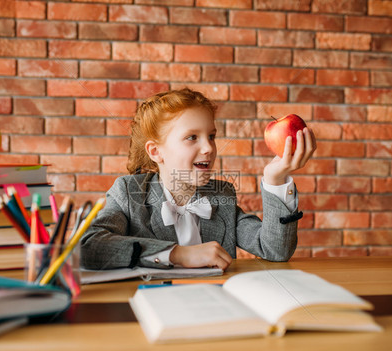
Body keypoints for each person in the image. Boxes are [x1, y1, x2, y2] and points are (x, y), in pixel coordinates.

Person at [80, 88, 316, 270]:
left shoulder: (220, 195)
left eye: (211, 136)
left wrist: (275, 179)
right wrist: (178, 254)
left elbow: (275, 249)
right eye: (192, 137)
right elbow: (89, 246)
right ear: (155, 152)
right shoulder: (128, 193)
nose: (209, 148)